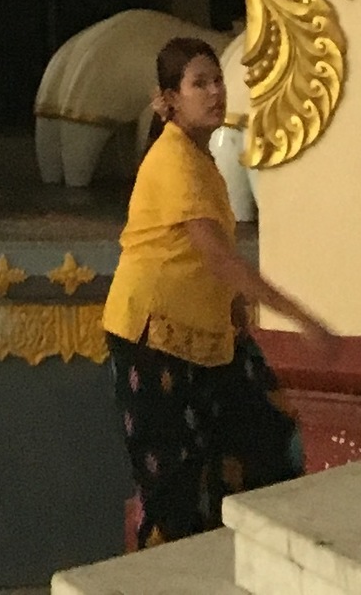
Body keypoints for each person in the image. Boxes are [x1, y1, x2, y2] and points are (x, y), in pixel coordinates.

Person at [100, 34, 332, 548]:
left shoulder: (203, 159)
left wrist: (236, 315)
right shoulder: (173, 162)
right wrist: (302, 318)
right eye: (198, 83)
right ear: (168, 101)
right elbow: (222, 259)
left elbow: (211, 261)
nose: (214, 92)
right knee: (173, 490)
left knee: (271, 443)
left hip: (210, 339)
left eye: (217, 80)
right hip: (153, 340)